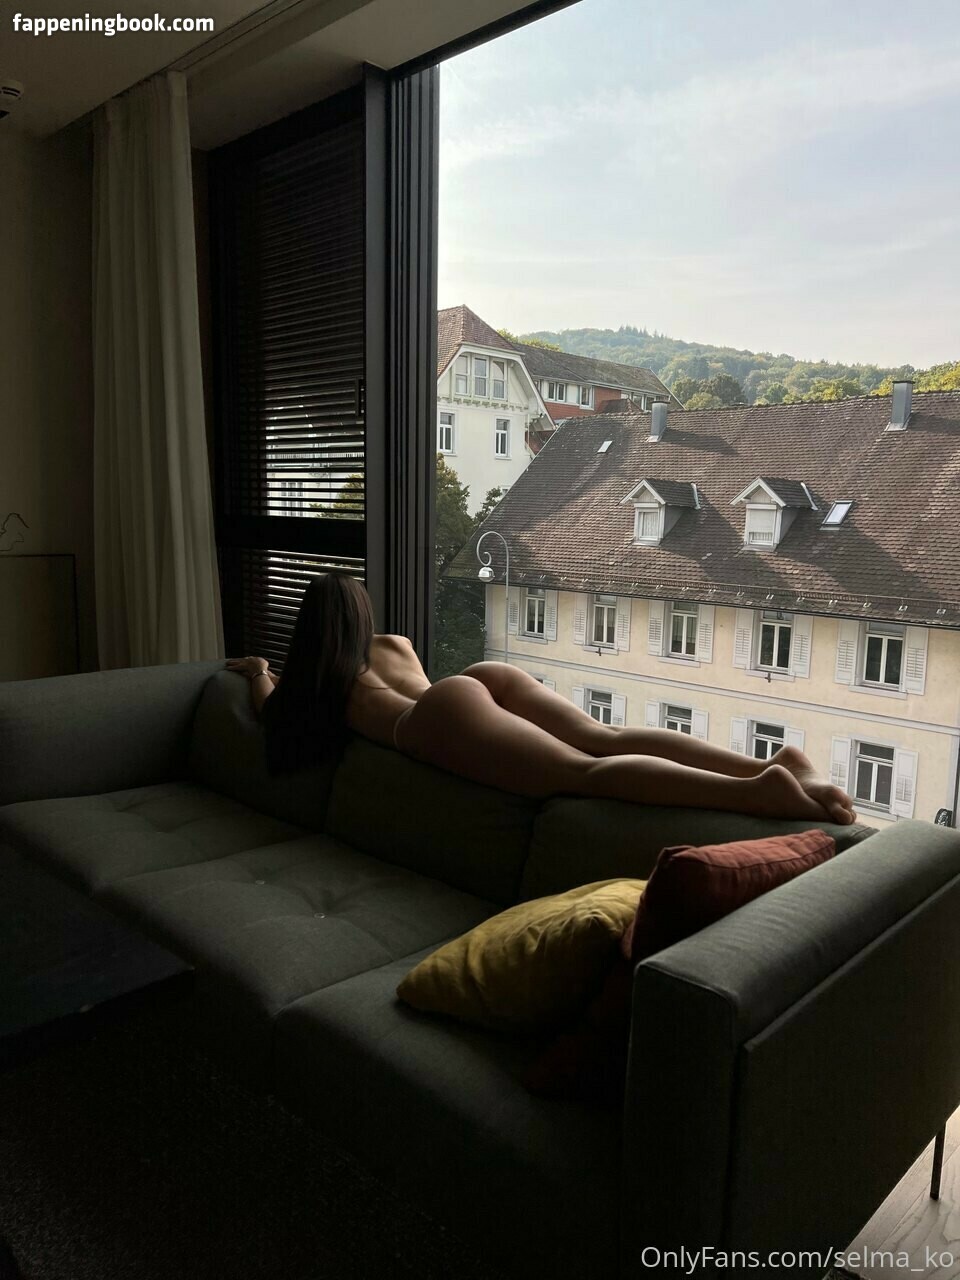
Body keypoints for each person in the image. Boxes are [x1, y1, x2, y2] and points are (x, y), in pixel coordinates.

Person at [226, 573, 856, 825]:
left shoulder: (321, 688)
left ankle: (754, 793)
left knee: (584, 774)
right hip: (472, 682)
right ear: (362, 617)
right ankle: (770, 764)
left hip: (433, 721)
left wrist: (258, 669)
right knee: (605, 739)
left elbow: (267, 710)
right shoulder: (393, 644)